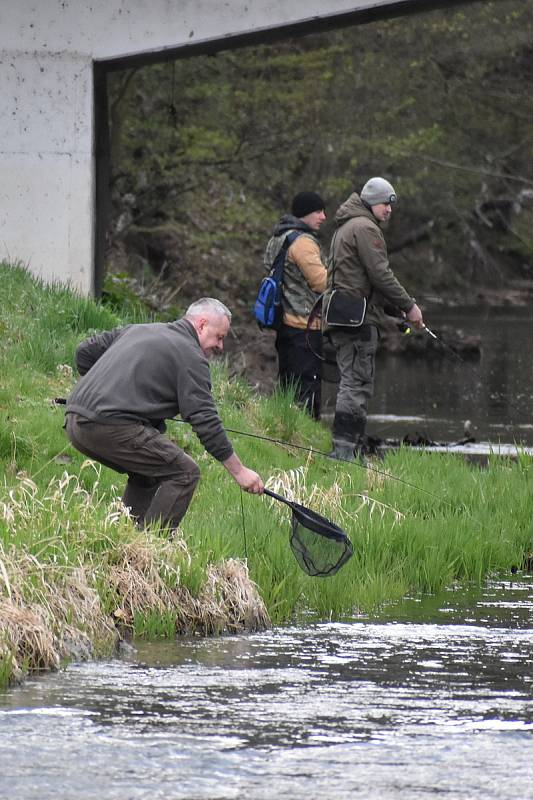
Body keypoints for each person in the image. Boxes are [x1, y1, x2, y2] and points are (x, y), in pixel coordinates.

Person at [65, 298, 264, 533]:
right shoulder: (191, 357)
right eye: (219, 337)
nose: (220, 346)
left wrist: (104, 393)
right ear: (201, 325)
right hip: (108, 425)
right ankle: (151, 550)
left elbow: (84, 353)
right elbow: (205, 420)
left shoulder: (139, 330)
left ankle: (121, 538)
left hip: (75, 420)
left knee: (148, 474)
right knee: (185, 473)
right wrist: (240, 472)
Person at [325, 177, 424, 461]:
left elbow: (360, 278)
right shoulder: (365, 228)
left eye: (391, 205)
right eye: (385, 204)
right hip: (356, 320)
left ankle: (347, 448)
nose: (389, 210)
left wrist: (394, 311)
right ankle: (344, 452)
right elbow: (381, 275)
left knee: (350, 382)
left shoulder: (345, 225)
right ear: (370, 202)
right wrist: (410, 306)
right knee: (356, 384)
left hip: (340, 315)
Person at [263, 191, 328, 418]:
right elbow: (322, 283)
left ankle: (286, 429)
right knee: (307, 390)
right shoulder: (303, 243)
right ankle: (305, 440)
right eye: (318, 211)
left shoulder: (278, 237)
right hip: (304, 328)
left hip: (284, 324)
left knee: (288, 385)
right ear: (305, 213)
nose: (323, 216)